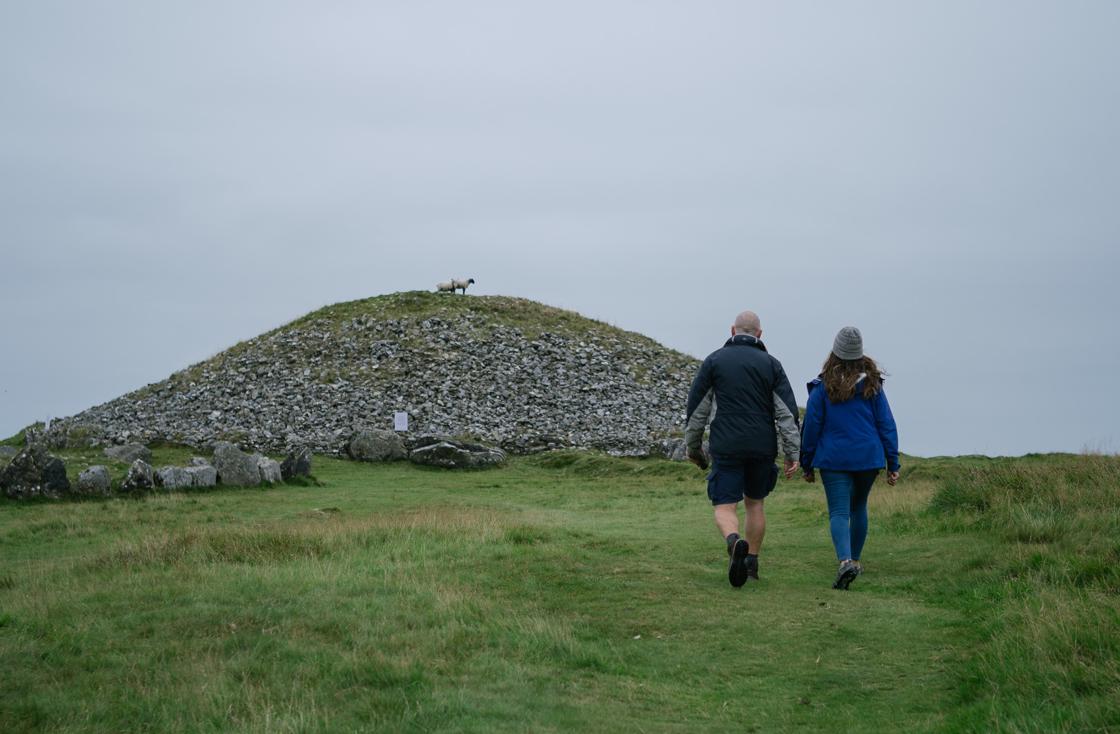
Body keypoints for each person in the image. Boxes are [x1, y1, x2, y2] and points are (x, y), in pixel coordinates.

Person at [685, 311, 801, 588]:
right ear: (760, 334)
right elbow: (786, 413)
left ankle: (733, 541)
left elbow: (697, 409)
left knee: (725, 505)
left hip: (726, 444)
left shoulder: (714, 361)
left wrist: (693, 447)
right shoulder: (772, 365)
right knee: (755, 503)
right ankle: (751, 563)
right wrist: (792, 453)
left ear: (733, 330)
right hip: (762, 445)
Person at [800, 326, 900, 590]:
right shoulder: (873, 386)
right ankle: (855, 560)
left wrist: (806, 462)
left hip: (833, 459)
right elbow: (886, 424)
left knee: (839, 511)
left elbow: (812, 426)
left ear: (835, 352)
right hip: (868, 457)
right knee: (859, 508)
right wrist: (893, 463)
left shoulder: (823, 388)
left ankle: (844, 561)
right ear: (859, 354)